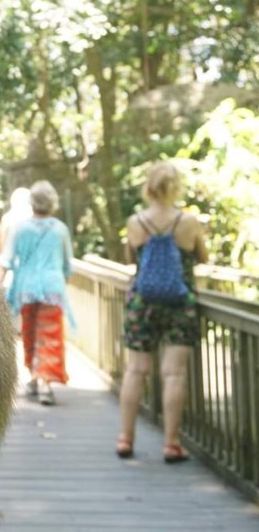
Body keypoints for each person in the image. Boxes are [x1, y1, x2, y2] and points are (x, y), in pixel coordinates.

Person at [116, 162, 207, 463]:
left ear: (148, 188)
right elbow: (202, 257)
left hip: (143, 304)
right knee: (174, 373)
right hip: (180, 304)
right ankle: (171, 443)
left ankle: (125, 439)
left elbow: (131, 259)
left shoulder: (135, 222)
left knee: (136, 370)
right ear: (175, 188)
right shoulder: (189, 221)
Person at [1, 181, 73, 406]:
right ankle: (44, 383)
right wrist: (62, 281)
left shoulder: (20, 228)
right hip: (52, 288)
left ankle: (35, 376)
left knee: (29, 332)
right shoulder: (60, 229)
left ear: (32, 203)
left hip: (26, 289)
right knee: (49, 334)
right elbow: (68, 265)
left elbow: (7, 260)